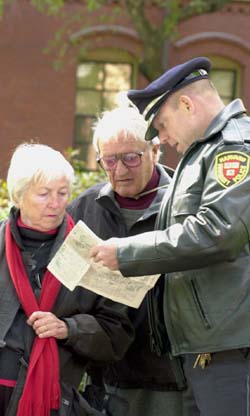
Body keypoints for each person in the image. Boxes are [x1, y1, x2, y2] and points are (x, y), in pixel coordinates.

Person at [89, 56, 250, 416]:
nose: (162, 137)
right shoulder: (202, 155)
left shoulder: (234, 148)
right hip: (206, 349)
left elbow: (218, 232)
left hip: (230, 349)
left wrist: (127, 253)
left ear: (187, 104)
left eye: (161, 124)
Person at [0, 142, 134, 416]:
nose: (56, 203)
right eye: (44, 194)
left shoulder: (91, 251)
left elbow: (117, 333)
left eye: (62, 193)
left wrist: (68, 328)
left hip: (55, 399)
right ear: (19, 194)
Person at [67, 106, 184, 416]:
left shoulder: (184, 205)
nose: (119, 171)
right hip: (104, 375)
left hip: (171, 375)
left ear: (155, 150)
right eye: (109, 160)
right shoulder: (83, 208)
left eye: (131, 158)